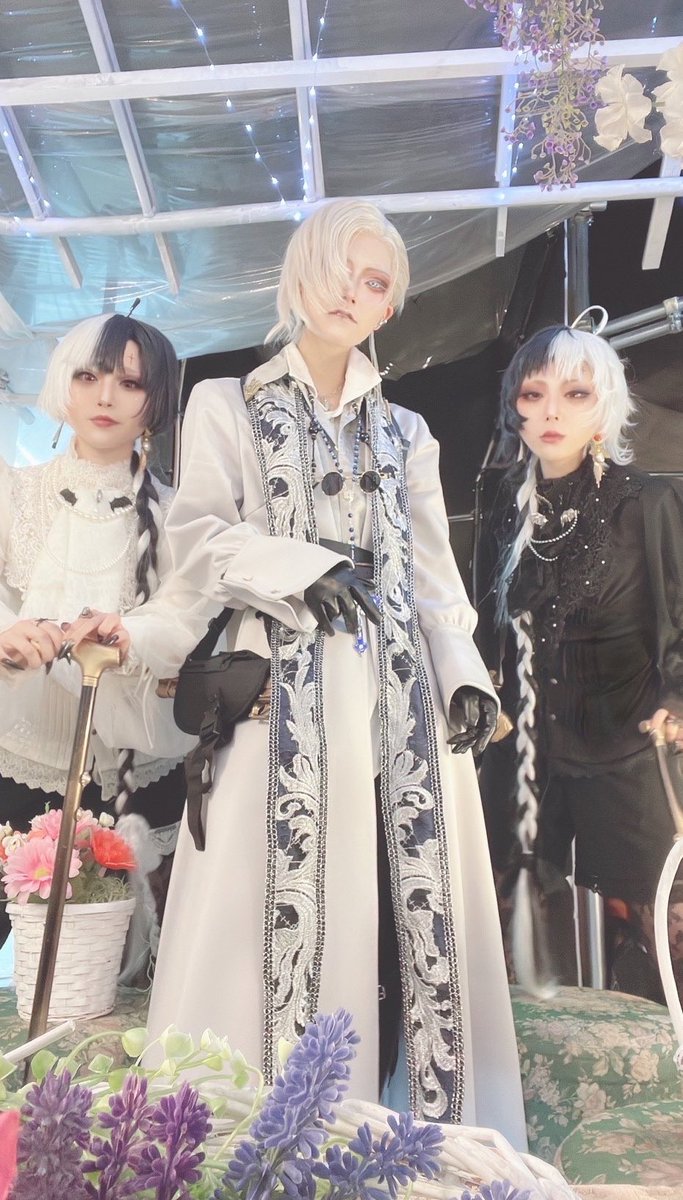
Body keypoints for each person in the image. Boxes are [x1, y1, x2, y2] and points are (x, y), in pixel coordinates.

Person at [146, 199, 527, 1145]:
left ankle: (397, 1135)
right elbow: (195, 538)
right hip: (280, 693)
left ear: (389, 305)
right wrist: (301, 567)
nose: (350, 293)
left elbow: (434, 578)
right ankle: (250, 1132)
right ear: (299, 274)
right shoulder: (226, 403)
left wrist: (463, 675)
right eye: (336, 269)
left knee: (404, 913)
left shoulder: (407, 433)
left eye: (374, 281)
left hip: (399, 701)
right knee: (269, 906)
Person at [0, 312, 207, 975]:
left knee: (128, 968)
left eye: (129, 382)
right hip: (20, 749)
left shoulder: (181, 515)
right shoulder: (13, 493)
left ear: (156, 399)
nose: (105, 396)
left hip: (137, 762)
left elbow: (188, 621)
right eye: (88, 377)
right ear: (63, 382)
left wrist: (131, 635)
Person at [483, 323, 683, 997]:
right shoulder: (504, 507)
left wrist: (677, 701)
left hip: (627, 748)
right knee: (515, 947)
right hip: (526, 755)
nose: (551, 411)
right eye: (532, 394)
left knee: (663, 939)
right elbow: (483, 624)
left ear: (604, 407)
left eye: (573, 394)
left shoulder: (648, 502)